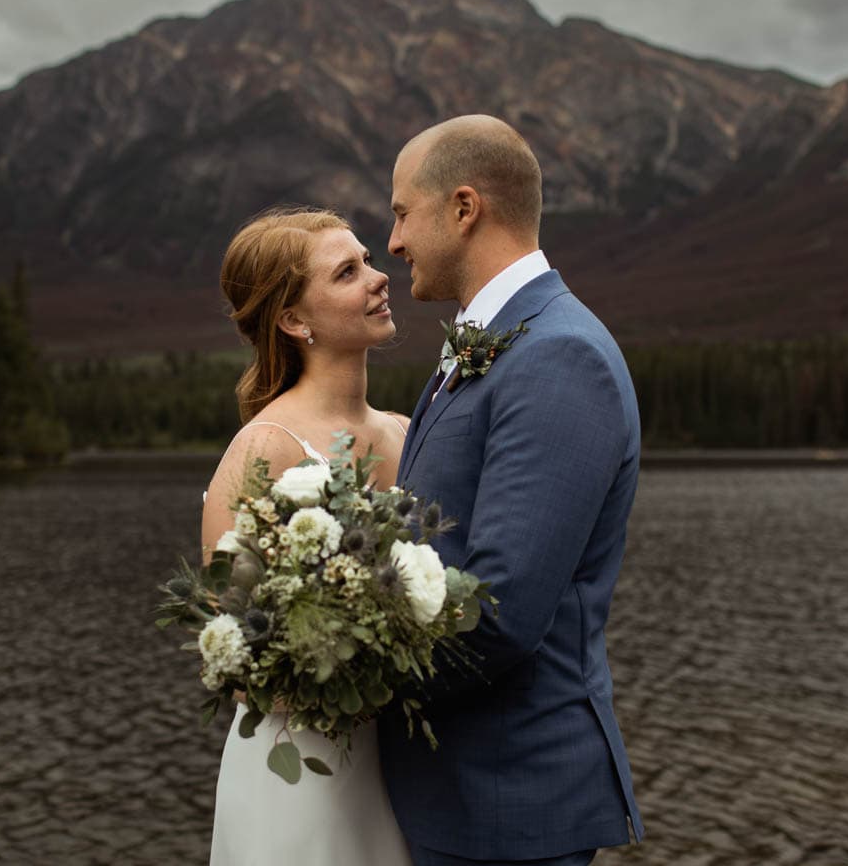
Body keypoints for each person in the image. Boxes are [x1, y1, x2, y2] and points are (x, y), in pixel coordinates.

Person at [378, 115, 645, 865]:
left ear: (464, 209)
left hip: (507, 806)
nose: (392, 243)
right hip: (453, 795)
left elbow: (497, 612)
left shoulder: (560, 356)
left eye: (401, 213)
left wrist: (342, 672)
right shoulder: (494, 342)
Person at [201, 207, 413, 865]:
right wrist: (355, 659)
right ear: (295, 321)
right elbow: (238, 659)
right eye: (348, 272)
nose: (379, 278)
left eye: (370, 261)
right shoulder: (266, 449)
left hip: (405, 769)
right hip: (300, 774)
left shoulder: (409, 432)